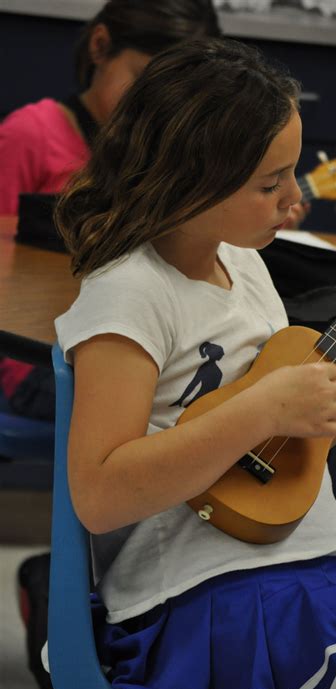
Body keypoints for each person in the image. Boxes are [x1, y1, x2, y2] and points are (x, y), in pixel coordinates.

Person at [51, 39, 336, 689]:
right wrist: (264, 411)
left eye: (292, 174)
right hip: (205, 596)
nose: (293, 198)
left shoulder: (244, 265)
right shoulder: (127, 297)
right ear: (191, 178)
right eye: (268, 183)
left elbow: (276, 459)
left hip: (307, 569)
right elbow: (98, 494)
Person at [0, 0, 222, 421]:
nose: (152, 108)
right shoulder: (30, 134)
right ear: (100, 46)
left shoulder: (168, 162)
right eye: (141, 82)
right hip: (41, 365)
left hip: (138, 351)